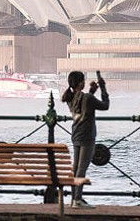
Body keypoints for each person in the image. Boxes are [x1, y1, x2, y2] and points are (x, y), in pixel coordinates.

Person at [61, 70, 109, 209]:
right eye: (83, 80)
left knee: (75, 169)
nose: (84, 82)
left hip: (76, 135)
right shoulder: (87, 98)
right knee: (81, 170)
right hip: (87, 137)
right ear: (80, 83)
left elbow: (83, 105)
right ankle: (77, 199)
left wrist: (92, 91)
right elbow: (105, 106)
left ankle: (74, 199)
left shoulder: (70, 98)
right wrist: (103, 88)